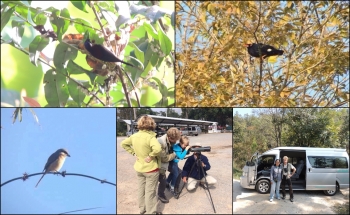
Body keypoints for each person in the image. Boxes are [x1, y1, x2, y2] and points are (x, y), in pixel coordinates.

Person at [121, 115, 161, 215]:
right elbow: (158, 149)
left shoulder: (134, 136)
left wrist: (134, 153)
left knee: (141, 190)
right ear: (152, 124)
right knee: (150, 192)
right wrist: (151, 156)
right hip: (151, 169)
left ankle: (142, 210)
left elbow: (123, 144)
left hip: (139, 168)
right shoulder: (150, 137)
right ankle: (151, 212)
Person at [157, 127, 181, 203]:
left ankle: (175, 187)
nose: (175, 141)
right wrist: (175, 154)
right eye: (175, 140)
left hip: (168, 162)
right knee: (162, 180)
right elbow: (164, 159)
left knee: (179, 172)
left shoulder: (170, 141)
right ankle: (161, 194)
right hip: (159, 164)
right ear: (170, 137)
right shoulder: (161, 142)